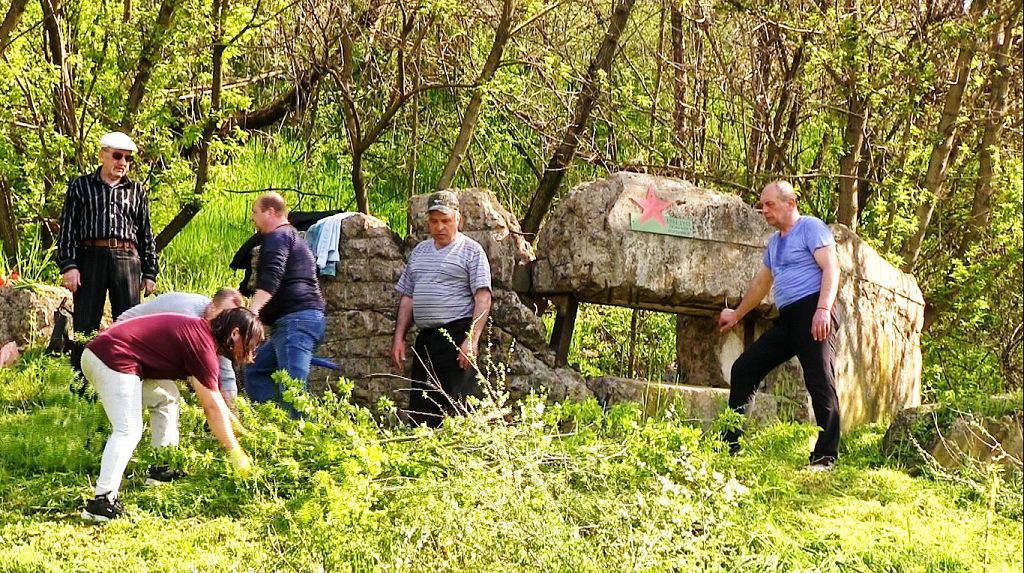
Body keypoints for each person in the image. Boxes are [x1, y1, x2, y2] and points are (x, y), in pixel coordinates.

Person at [80, 307, 263, 522]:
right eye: (250, 345)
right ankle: (102, 501)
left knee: (166, 396)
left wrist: (240, 431)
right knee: (128, 430)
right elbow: (211, 408)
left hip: (105, 354)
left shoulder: (202, 338)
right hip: (111, 357)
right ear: (235, 333)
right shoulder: (202, 344)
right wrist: (235, 452)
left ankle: (162, 468)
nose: (250, 355)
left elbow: (217, 401)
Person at [717, 180, 841, 471]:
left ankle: (825, 457)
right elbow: (762, 283)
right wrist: (736, 315)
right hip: (788, 319)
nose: (764, 210)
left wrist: (823, 309)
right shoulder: (775, 243)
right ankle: (729, 445)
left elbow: (832, 268)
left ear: (791, 203)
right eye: (762, 205)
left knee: (820, 380)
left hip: (813, 311)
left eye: (770, 204)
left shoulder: (811, 228)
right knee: (744, 368)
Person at [392, 190, 492, 427]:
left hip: (456, 337)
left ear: (458, 219)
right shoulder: (420, 252)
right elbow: (408, 297)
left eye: (445, 221)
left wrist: (471, 339)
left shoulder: (471, 251)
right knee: (422, 408)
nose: (439, 227)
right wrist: (399, 338)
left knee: (459, 407)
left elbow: (483, 297)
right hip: (426, 339)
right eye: (434, 221)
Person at [117, 288, 245, 449]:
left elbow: (225, 374)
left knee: (167, 397)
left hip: (146, 352)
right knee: (159, 400)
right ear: (212, 307)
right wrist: (231, 441)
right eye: (224, 316)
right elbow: (205, 387)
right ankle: (156, 452)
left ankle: (161, 454)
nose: (227, 323)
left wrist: (233, 412)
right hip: (124, 345)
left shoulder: (217, 328)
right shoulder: (189, 317)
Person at [57, 131, 158, 334]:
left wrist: (150, 271)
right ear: (102, 154)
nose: (123, 163)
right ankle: (81, 356)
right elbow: (68, 228)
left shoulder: (137, 191)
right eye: (117, 156)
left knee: (129, 324)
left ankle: (123, 357)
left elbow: (145, 234)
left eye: (128, 158)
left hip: (127, 259)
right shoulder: (81, 186)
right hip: (90, 257)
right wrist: (69, 265)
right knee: (85, 325)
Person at [244, 192, 326, 415]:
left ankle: (301, 430)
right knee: (256, 371)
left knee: (292, 390)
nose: (252, 217)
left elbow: (272, 275)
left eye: (255, 212)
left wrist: (252, 312)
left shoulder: (278, 236)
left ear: (270, 212)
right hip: (294, 322)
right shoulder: (291, 236)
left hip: (295, 322)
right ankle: (276, 421)